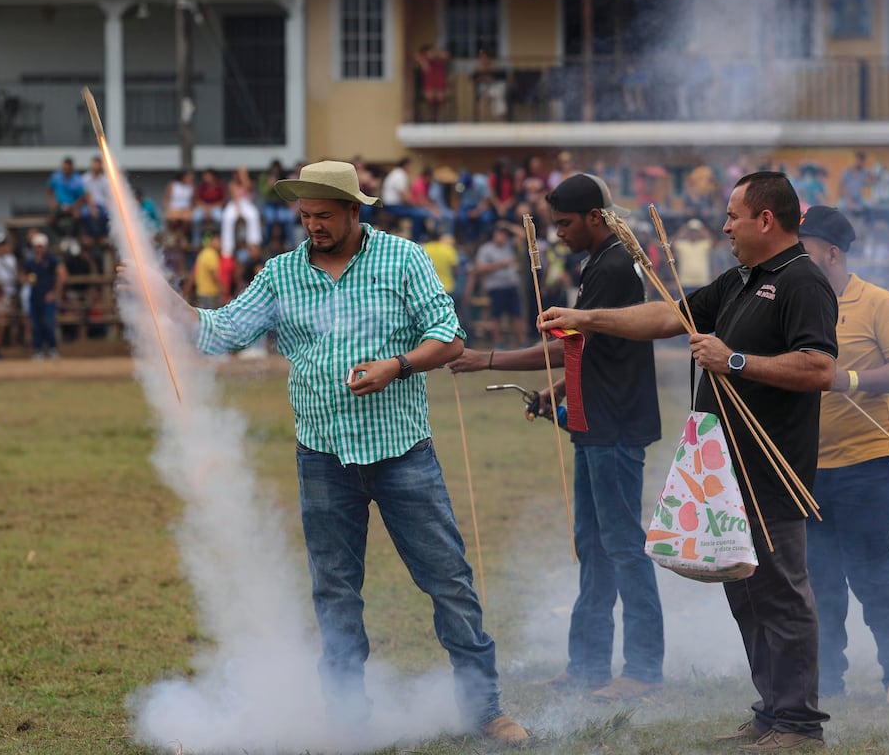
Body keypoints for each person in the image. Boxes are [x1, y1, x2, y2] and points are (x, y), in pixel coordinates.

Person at [182, 160, 527, 744]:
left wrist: (397, 366)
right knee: (335, 592)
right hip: (321, 457)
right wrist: (161, 301)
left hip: (402, 453)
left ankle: (484, 708)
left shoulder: (404, 259)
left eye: (323, 215)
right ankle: (347, 720)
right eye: (305, 215)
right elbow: (219, 333)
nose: (312, 225)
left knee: (448, 580)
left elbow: (449, 337)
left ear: (353, 211)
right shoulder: (281, 274)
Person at [538, 171, 836, 753]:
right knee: (744, 590)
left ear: (766, 220)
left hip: (771, 468)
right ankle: (772, 712)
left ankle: (799, 726)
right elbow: (665, 316)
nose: (724, 225)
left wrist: (737, 361)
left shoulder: (803, 282)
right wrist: (589, 319)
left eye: (732, 216)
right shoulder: (740, 281)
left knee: (782, 594)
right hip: (721, 470)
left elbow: (819, 368)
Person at [451, 173, 664, 703]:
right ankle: (588, 664)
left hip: (613, 424)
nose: (559, 233)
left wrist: (488, 360)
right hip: (593, 419)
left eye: (565, 223)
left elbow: (570, 339)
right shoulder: (601, 262)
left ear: (596, 216)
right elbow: (590, 349)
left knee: (621, 546)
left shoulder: (615, 265)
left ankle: (642, 668)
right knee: (593, 547)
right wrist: (557, 388)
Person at [797, 206, 889, 704]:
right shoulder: (796, 304)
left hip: (867, 462)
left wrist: (846, 379)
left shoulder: (879, 304)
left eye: (801, 248)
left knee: (872, 571)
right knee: (818, 579)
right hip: (804, 466)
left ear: (831, 252)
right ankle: (827, 679)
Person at [471, 225, 523, 348]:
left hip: (511, 285)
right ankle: (498, 343)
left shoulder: (509, 245)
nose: (502, 237)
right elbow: (480, 268)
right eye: (500, 234)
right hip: (496, 287)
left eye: (504, 235)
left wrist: (506, 224)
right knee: (496, 317)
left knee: (517, 315)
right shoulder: (486, 249)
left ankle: (522, 342)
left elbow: (522, 235)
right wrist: (499, 265)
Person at [23, 232, 66, 360]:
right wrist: (27, 280)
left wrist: (54, 292)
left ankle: (52, 349)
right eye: (37, 246)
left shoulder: (51, 260)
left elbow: (62, 275)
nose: (39, 249)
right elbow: (23, 275)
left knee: (49, 323)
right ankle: (38, 350)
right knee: (35, 324)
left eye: (41, 246)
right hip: (34, 297)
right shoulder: (30, 262)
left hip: (48, 297)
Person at [46, 156, 86, 239]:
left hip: (72, 206)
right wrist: (52, 205)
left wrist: (75, 207)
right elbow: (49, 191)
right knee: (51, 220)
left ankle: (73, 238)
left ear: (71, 168)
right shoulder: (56, 176)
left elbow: (82, 197)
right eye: (64, 168)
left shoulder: (77, 179)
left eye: (68, 168)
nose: (66, 170)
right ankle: (64, 237)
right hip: (60, 206)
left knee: (78, 217)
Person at [414, 44, 449, 121]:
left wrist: (436, 55)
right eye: (429, 52)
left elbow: (446, 55)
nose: (432, 53)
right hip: (429, 86)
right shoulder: (425, 62)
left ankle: (437, 116)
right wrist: (426, 57)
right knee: (430, 96)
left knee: (440, 96)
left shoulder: (440, 61)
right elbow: (416, 56)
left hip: (440, 85)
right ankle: (432, 116)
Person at [81, 156, 112, 239]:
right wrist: (92, 207)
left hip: (102, 205)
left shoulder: (105, 180)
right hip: (89, 205)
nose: (96, 168)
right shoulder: (85, 178)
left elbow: (108, 196)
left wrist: (107, 205)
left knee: (108, 215)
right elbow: (85, 195)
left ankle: (102, 235)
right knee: (85, 214)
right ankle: (90, 235)